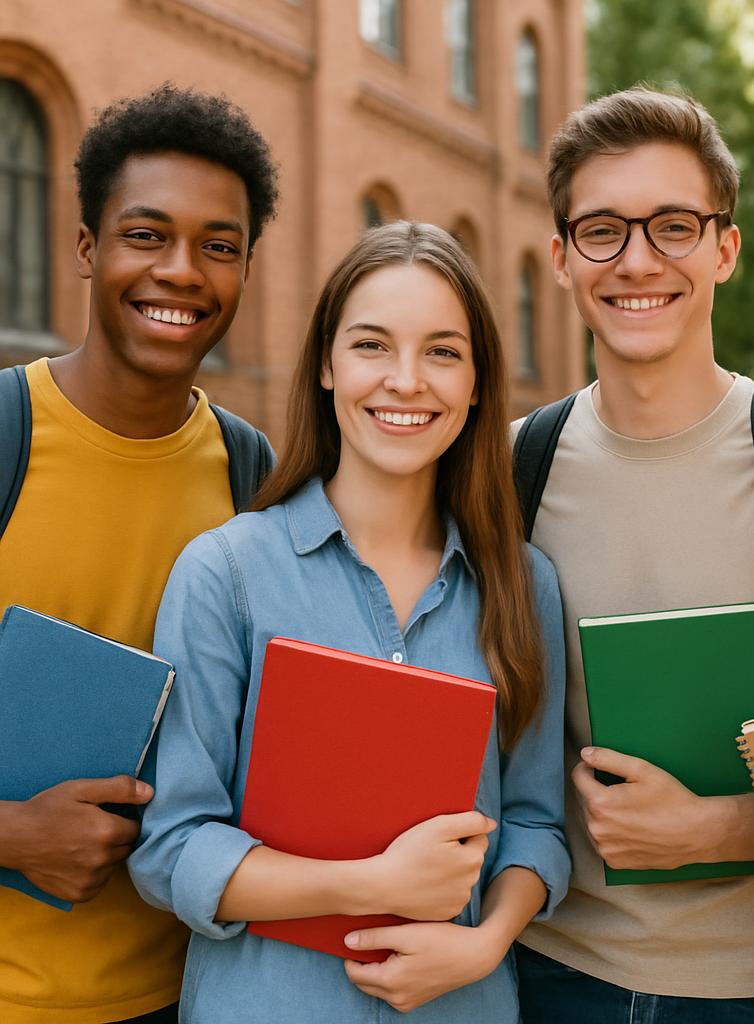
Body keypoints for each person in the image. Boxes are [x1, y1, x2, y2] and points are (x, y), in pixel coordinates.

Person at [128, 220, 569, 1023]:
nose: (406, 381)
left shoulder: (522, 583)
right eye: (372, 346)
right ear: (327, 366)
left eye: (442, 351)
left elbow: (536, 822)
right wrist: (370, 885)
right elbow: (173, 847)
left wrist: (488, 939)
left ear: (476, 385)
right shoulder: (226, 575)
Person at [513, 86, 754, 1023]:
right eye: (602, 229)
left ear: (726, 246)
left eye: (673, 225)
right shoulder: (509, 466)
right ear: (561, 257)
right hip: (552, 975)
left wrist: (725, 827)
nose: (638, 259)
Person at [0, 85, 277, 1023]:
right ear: (87, 247)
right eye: (147, 235)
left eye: (219, 246)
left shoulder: (253, 474)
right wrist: (8, 835)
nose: (183, 272)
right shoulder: (4, 437)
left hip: (188, 993)